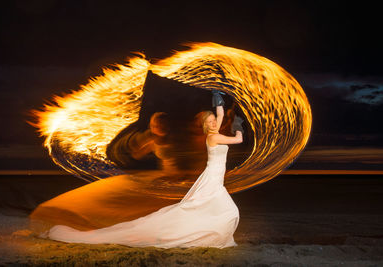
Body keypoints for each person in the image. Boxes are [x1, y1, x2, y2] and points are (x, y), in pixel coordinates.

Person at [42, 89, 244, 249]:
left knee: (213, 210)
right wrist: (130, 144)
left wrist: (229, 114)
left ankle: (201, 234)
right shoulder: (158, 138)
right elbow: (133, 152)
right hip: (178, 182)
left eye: (162, 125)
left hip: (194, 181)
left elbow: (220, 130)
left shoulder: (197, 137)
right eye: (157, 125)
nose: (160, 128)